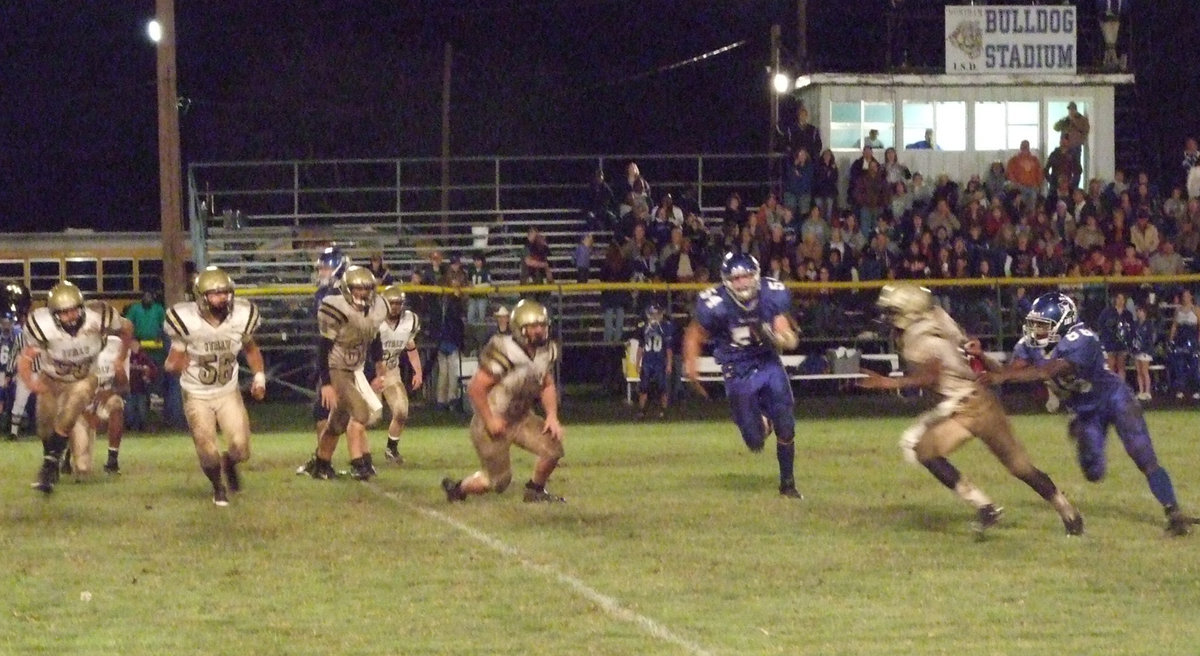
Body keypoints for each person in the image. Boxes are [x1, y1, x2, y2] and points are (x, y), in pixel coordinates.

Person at [860, 284, 1084, 536]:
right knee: (930, 450)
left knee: (1013, 466)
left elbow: (930, 377)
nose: (888, 317)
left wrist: (889, 382)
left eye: (892, 311)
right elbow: (962, 342)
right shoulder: (938, 317)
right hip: (971, 402)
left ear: (908, 313)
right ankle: (998, 509)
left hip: (970, 405)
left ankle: (1047, 511)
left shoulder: (918, 337)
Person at [981, 292, 1199, 536]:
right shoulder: (1030, 345)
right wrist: (982, 356)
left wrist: (1002, 376)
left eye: (1042, 325)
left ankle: (1173, 512)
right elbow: (1011, 370)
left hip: (1113, 397)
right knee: (1093, 473)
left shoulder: (1081, 338)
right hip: (1085, 409)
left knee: (1143, 455)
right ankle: (1079, 430)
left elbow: (1049, 371)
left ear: (1062, 323)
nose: (1035, 330)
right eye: (1034, 324)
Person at [682, 253, 803, 498]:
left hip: (767, 361)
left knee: (787, 425)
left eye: (747, 277)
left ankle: (787, 485)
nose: (743, 283)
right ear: (727, 281)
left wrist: (785, 335)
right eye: (736, 279)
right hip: (736, 367)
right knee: (755, 442)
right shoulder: (715, 303)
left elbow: (782, 324)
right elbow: (695, 333)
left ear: (756, 276)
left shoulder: (771, 293)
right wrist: (691, 365)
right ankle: (763, 423)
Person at [440, 299, 566, 504]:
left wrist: (552, 416)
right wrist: (490, 420)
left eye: (543, 325)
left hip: (521, 417)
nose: (540, 331)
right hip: (490, 421)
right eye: (534, 326)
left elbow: (546, 384)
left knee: (553, 449)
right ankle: (458, 489)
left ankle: (535, 490)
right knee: (498, 482)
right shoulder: (504, 349)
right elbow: (476, 388)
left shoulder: (546, 350)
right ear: (520, 329)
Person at [16, 281, 134, 494]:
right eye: (64, 313)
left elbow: (127, 328)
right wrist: (31, 382)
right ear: (53, 315)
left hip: (84, 376)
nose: (71, 316)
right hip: (52, 378)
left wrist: (121, 357)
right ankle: (51, 461)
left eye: (74, 310)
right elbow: (26, 358)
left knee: (77, 400)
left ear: (82, 307)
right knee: (44, 426)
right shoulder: (41, 325)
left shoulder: (99, 316)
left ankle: (50, 465)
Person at [163, 267, 266, 506]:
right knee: (207, 449)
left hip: (227, 391)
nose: (223, 298)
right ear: (201, 297)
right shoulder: (187, 321)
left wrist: (259, 378)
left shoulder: (240, 317)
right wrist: (173, 364)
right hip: (197, 393)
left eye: (225, 292)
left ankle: (229, 463)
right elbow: (172, 361)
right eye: (216, 293)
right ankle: (218, 487)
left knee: (241, 449)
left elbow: (250, 349)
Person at [297, 266, 388, 481]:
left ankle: (321, 464)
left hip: (356, 368)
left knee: (336, 423)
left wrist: (379, 364)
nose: (362, 294)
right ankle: (359, 464)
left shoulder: (376, 308)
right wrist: (326, 383)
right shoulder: (336, 307)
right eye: (357, 289)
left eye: (366, 289)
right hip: (337, 368)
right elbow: (323, 348)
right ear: (347, 289)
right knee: (361, 412)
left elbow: (374, 337)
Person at [62, 335, 128, 478]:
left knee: (116, 403)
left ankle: (112, 460)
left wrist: (111, 391)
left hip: (103, 401)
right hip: (82, 403)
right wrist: (86, 409)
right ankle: (65, 455)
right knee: (83, 468)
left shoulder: (118, 345)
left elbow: (125, 387)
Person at [371, 285, 423, 464]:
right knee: (371, 417)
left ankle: (391, 449)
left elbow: (411, 346)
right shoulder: (373, 319)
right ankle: (358, 452)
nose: (395, 307)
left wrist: (418, 371)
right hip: (370, 371)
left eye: (398, 303)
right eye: (391, 303)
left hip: (392, 371)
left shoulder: (410, 321)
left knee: (401, 410)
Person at [311, 246, 350, 439]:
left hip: (347, 357)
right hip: (329, 353)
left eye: (325, 268)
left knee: (352, 416)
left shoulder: (345, 293)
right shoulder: (323, 293)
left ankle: (360, 460)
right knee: (323, 411)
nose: (321, 272)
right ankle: (322, 459)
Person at [635, 304, 674, 419]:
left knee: (663, 388)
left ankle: (663, 411)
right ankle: (641, 411)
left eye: (656, 314)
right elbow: (641, 347)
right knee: (644, 388)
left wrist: (669, 363)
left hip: (659, 361)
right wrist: (638, 362)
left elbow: (668, 348)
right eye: (653, 314)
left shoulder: (665, 327)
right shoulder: (644, 327)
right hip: (647, 361)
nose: (655, 317)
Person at [1130, 303, 1157, 401]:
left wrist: (1147, 348)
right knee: (1139, 372)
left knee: (1145, 371)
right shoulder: (1135, 324)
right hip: (1137, 350)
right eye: (1137, 311)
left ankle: (1147, 391)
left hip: (1146, 350)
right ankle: (1141, 391)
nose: (1138, 313)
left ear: (1144, 313)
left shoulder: (1149, 324)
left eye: (1140, 311)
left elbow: (1151, 338)